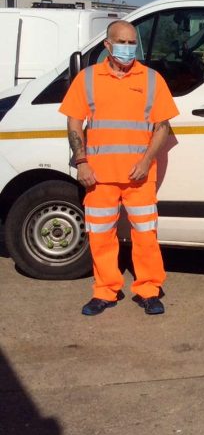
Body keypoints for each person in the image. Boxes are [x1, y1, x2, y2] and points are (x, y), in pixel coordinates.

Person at [60, 21, 179, 316]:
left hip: (139, 176)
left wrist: (146, 160)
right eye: (122, 42)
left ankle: (149, 290)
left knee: (146, 235)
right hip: (98, 177)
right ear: (108, 46)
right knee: (100, 236)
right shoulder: (88, 79)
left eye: (132, 41)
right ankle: (105, 291)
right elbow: (74, 121)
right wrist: (81, 160)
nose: (129, 47)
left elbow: (162, 127)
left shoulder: (152, 79)